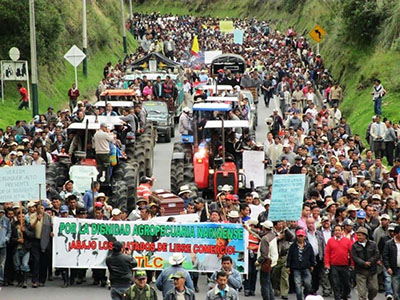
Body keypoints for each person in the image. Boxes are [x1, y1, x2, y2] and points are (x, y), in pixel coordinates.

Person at [324, 225, 353, 300]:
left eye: (338, 230)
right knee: (335, 284)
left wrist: (352, 264)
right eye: (336, 230)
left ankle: (344, 296)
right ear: (334, 232)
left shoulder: (347, 241)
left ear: (342, 231)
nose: (337, 232)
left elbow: (352, 253)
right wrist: (327, 264)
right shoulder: (330, 241)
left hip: (345, 265)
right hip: (334, 266)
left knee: (347, 284)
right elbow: (327, 253)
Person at [351, 226, 379, 300]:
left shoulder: (373, 244)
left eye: (360, 235)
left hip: (372, 271)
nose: (358, 237)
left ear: (365, 236)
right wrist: (363, 263)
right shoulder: (354, 246)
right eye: (357, 235)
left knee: (374, 289)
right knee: (361, 293)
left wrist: (370, 262)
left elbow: (376, 254)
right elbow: (355, 257)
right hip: (360, 272)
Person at [287, 228, 315, 300]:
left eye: (301, 236)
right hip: (296, 268)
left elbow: (312, 255)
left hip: (306, 267)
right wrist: (288, 266)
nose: (300, 238)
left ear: (304, 236)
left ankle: (306, 296)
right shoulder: (293, 246)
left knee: (308, 283)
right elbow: (289, 256)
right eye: (299, 236)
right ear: (296, 236)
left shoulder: (308, 246)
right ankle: (299, 298)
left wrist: (312, 264)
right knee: (297, 284)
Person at [256, 220, 277, 300]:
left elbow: (264, 255)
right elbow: (260, 233)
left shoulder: (265, 238)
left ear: (264, 228)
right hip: (273, 261)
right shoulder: (272, 235)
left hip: (266, 262)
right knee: (268, 283)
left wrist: (258, 261)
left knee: (264, 284)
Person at [383, 225, 400, 300]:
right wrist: (388, 267)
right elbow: (385, 256)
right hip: (395, 269)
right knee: (396, 291)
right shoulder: (389, 243)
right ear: (396, 233)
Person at [0, 210, 11, 286]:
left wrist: (6, 238)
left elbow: (9, 231)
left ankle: (1, 280)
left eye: (2, 212)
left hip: (2, 245)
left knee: (1, 264)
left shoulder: (6, 220)